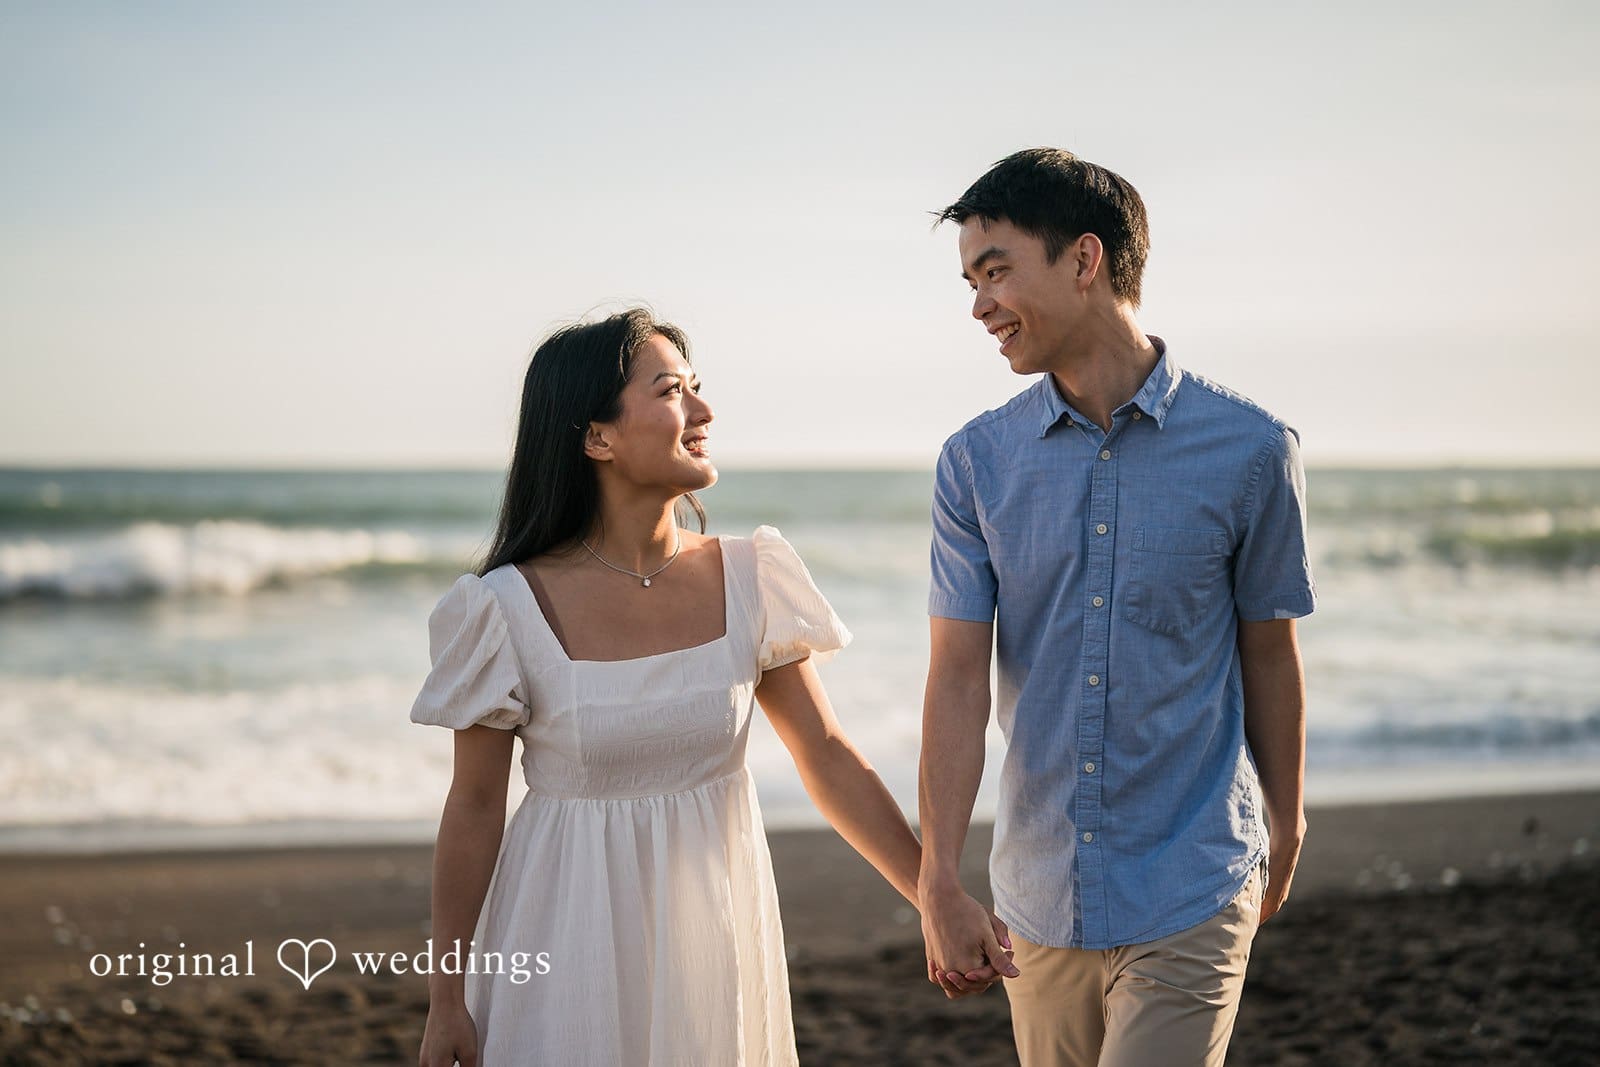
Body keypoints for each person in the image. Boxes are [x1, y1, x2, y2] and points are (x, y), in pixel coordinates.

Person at [409, 309, 937, 1066]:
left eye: (697, 388)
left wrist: (933, 899)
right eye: (672, 391)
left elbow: (824, 752)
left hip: (711, 941)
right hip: (562, 941)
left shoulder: (753, 575)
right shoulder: (503, 607)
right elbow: (474, 805)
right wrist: (446, 999)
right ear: (598, 437)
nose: (704, 411)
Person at [916, 149, 1315, 1067]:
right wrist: (939, 879)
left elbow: (1267, 648)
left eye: (996, 270)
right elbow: (956, 680)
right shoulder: (974, 464)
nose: (978, 305)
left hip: (1192, 877)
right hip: (1038, 898)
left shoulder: (1251, 449)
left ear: (1084, 260)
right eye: (971, 280)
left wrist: (1286, 816)